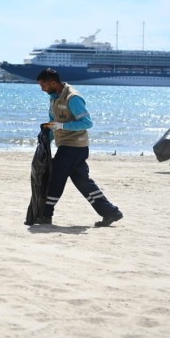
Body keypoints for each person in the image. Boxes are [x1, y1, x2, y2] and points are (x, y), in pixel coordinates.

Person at [33, 68, 123, 227]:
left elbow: (87, 123)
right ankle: (110, 212)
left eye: (44, 86)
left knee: (55, 178)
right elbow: (53, 123)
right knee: (83, 182)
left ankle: (46, 214)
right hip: (67, 146)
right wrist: (46, 137)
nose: (42, 89)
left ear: (53, 83)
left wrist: (61, 125)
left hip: (74, 146)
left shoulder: (73, 98)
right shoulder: (53, 98)